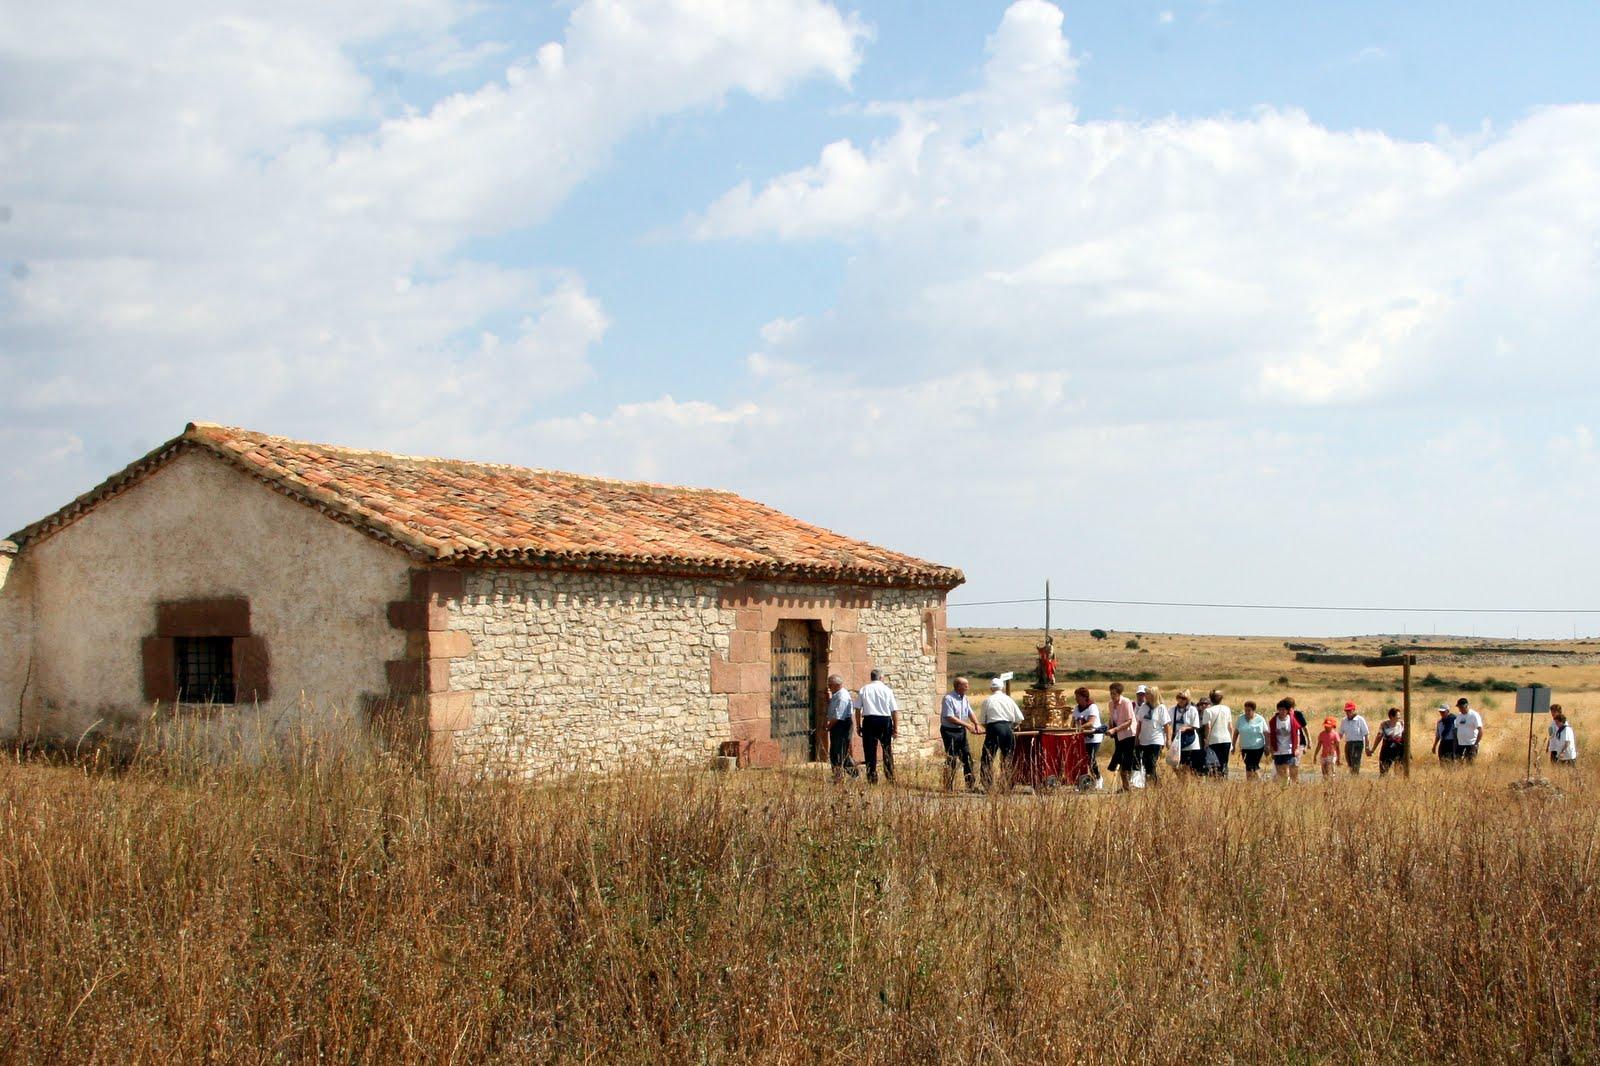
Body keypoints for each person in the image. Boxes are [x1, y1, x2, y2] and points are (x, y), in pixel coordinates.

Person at [855, 668, 899, 784]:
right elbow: (894, 710)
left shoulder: (864, 689)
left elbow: (858, 709)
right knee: (887, 749)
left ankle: (872, 778)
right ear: (881, 678)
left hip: (869, 720)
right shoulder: (887, 690)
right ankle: (890, 776)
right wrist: (896, 728)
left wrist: (858, 725)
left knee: (870, 751)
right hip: (884, 720)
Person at [939, 677, 982, 791]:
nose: (967, 686)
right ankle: (948, 787)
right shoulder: (948, 698)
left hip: (960, 731)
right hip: (949, 731)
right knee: (952, 758)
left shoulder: (965, 698)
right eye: (965, 684)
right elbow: (949, 716)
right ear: (958, 686)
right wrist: (967, 725)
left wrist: (976, 723)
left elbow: (969, 712)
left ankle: (970, 786)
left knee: (967, 757)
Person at [980, 678, 1023, 789]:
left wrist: (990, 728)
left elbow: (983, 721)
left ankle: (988, 784)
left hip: (993, 728)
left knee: (988, 757)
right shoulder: (1009, 700)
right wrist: (1012, 727)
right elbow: (1019, 718)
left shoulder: (987, 700)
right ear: (1002, 688)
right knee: (1007, 757)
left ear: (991, 688)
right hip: (1008, 728)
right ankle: (1007, 784)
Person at [1135, 684, 1171, 787]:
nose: (1146, 695)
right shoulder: (1144, 707)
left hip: (1156, 739)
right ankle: (1152, 783)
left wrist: (1168, 739)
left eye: (1148, 694)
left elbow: (1166, 725)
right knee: (1146, 763)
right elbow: (1140, 723)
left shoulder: (1161, 708)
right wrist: (1137, 737)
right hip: (1144, 740)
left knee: (1152, 761)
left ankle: (1154, 783)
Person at [825, 674, 858, 784]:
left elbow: (838, 716)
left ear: (837, 685)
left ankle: (841, 776)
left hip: (841, 725)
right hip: (838, 725)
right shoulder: (836, 695)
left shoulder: (842, 697)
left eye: (830, 685)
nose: (829, 686)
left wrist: (828, 727)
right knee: (837, 751)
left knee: (839, 752)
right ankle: (849, 774)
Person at [1105, 682, 1138, 790]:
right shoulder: (1110, 704)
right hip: (1118, 735)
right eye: (1111, 693)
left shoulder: (1126, 702)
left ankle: (1126, 785)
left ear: (1119, 693)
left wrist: (1114, 729)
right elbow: (1112, 718)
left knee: (1126, 760)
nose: (1112, 696)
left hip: (1128, 735)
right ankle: (1125, 785)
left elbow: (1129, 721)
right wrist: (1109, 727)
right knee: (1119, 758)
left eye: (1114, 694)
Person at [1072, 686, 1103, 785]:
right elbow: (1073, 721)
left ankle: (1098, 778)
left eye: (1078, 696)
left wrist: (1080, 727)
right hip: (1082, 737)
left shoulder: (1092, 707)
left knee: (1091, 759)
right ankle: (1082, 781)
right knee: (1080, 759)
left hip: (1094, 737)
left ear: (1084, 697)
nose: (1076, 698)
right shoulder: (1077, 708)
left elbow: (1091, 722)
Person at [1270, 699, 1304, 782]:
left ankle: (1289, 786)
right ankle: (1284, 787)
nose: (1281, 712)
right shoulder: (1273, 721)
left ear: (1287, 710)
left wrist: (1296, 748)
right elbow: (1270, 735)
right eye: (1280, 709)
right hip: (1278, 750)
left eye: (1283, 710)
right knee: (1280, 772)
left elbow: (1297, 735)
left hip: (1289, 750)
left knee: (1287, 770)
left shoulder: (1292, 721)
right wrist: (1271, 749)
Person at [1234, 701, 1268, 779]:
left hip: (1257, 747)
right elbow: (1236, 733)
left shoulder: (1260, 719)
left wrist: (1267, 745)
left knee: (1253, 766)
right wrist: (1233, 745)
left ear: (1253, 710)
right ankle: (1250, 783)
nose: (1247, 712)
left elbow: (1266, 733)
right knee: (1248, 767)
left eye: (1249, 710)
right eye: (1245, 710)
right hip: (1245, 748)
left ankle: (1260, 781)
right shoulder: (1240, 719)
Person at [1205, 689, 1234, 777]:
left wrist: (1206, 740)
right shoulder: (1227, 709)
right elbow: (1230, 726)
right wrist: (1231, 740)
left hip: (1213, 740)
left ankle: (1215, 782)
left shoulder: (1208, 711)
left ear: (1210, 699)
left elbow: (1208, 727)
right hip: (1226, 739)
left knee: (1213, 764)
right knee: (1224, 763)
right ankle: (1224, 779)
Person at [1173, 690, 1203, 773]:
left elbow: (1196, 725)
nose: (1181, 700)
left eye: (1184, 698)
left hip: (1191, 741)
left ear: (1187, 699)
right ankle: (1181, 781)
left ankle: (1188, 782)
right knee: (1175, 764)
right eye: (1179, 698)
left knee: (1190, 766)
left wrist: (1186, 728)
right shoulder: (1172, 710)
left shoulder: (1192, 710)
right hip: (1177, 741)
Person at [1338, 701, 1369, 775]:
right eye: (1346, 711)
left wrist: (1367, 746)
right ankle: (1353, 776)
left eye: (1349, 710)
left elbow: (1366, 733)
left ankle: (1355, 777)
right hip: (1348, 743)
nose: (1348, 712)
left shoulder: (1360, 719)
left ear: (1353, 710)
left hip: (1358, 743)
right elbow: (1340, 734)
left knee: (1355, 761)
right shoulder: (1344, 720)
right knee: (1349, 762)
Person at [1374, 707, 1405, 775]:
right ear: (1391, 716)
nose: (1399, 717)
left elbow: (1405, 737)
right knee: (1384, 771)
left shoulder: (1402, 724)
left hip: (1399, 749)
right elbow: (1379, 737)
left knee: (1399, 771)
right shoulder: (1384, 725)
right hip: (1387, 750)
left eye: (1400, 716)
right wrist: (1373, 749)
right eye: (1398, 716)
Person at [1453, 697, 1484, 762]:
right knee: (1458, 762)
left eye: (1461, 707)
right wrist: (1455, 743)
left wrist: (1476, 743)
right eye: (1459, 707)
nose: (1460, 709)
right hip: (1460, 743)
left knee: (1470, 762)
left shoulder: (1474, 715)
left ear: (1466, 706)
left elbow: (1480, 730)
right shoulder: (1459, 716)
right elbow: (1456, 729)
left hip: (1471, 743)